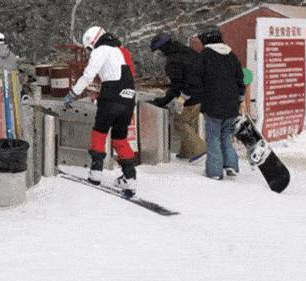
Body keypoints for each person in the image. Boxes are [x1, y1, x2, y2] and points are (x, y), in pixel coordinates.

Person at [64, 26, 138, 195]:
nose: (91, 51)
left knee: (99, 132)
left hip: (111, 98)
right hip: (129, 98)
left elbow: (88, 75)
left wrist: (73, 93)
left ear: (93, 41)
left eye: (90, 48)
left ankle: (95, 173)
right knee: (120, 138)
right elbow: (128, 74)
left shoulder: (101, 50)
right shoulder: (121, 51)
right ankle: (130, 178)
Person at [149, 32, 206, 161]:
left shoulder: (173, 60)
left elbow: (177, 85)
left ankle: (199, 149)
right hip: (201, 93)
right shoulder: (189, 51)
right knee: (189, 122)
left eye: (160, 50)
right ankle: (186, 152)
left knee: (180, 123)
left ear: (163, 48)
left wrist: (164, 100)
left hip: (188, 95)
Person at [197, 25, 243, 180]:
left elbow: (198, 79)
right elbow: (240, 78)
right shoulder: (231, 55)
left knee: (213, 138)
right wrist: (240, 97)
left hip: (212, 104)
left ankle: (215, 171)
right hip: (231, 105)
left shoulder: (205, 55)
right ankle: (231, 165)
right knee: (225, 136)